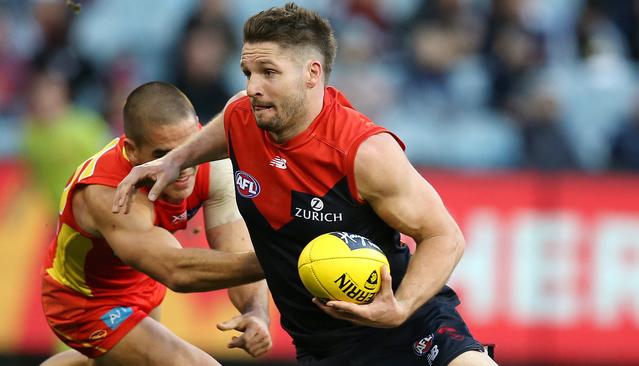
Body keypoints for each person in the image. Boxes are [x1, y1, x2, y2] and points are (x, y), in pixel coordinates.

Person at [113, 4, 497, 366]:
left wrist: (399, 308)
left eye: (269, 72)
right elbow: (228, 123)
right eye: (248, 73)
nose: (252, 87)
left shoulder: (363, 151)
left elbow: (446, 237)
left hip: (408, 327)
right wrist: (174, 160)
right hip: (321, 346)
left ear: (312, 73)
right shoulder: (242, 116)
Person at [41, 82, 271, 366]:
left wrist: (255, 311)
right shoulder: (111, 194)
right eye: (162, 154)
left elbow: (238, 252)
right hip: (85, 303)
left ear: (198, 130)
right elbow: (176, 271)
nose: (181, 166)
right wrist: (282, 260)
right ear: (132, 151)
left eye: (187, 148)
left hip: (143, 282)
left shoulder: (212, 164)